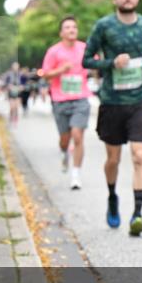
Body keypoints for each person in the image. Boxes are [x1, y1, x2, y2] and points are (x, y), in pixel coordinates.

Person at [83, 0, 142, 236]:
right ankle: (112, 196)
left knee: (140, 155)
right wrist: (111, 63)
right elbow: (87, 61)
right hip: (112, 103)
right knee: (113, 159)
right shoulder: (104, 26)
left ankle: (137, 214)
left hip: (139, 101)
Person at [40, 16, 92, 190]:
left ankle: (76, 174)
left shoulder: (85, 48)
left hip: (81, 98)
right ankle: (64, 152)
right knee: (65, 139)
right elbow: (45, 74)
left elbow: (95, 62)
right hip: (60, 100)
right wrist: (60, 70)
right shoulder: (54, 51)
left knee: (77, 135)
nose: (72, 30)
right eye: (68, 27)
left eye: (74, 27)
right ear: (61, 32)